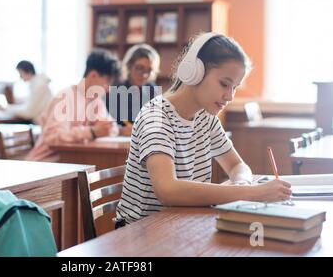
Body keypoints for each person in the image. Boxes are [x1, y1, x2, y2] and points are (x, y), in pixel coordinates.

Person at [115, 32, 291, 225]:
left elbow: (236, 165)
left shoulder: (205, 117)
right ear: (194, 71)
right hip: (142, 234)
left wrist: (242, 182)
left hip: (183, 225)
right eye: (224, 84)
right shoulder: (156, 116)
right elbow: (167, 190)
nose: (230, 96)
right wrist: (250, 193)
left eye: (235, 87)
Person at [25, 49, 121, 162]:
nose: (108, 89)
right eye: (107, 82)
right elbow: (53, 137)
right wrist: (92, 132)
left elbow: (111, 127)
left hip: (72, 163)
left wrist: (105, 129)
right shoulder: (65, 97)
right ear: (93, 75)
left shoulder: (96, 101)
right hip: (46, 164)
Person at [106, 44, 160, 136]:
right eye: (140, 68)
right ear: (129, 66)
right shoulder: (114, 88)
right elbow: (105, 122)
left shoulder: (151, 89)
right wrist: (120, 130)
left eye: (149, 70)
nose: (144, 75)